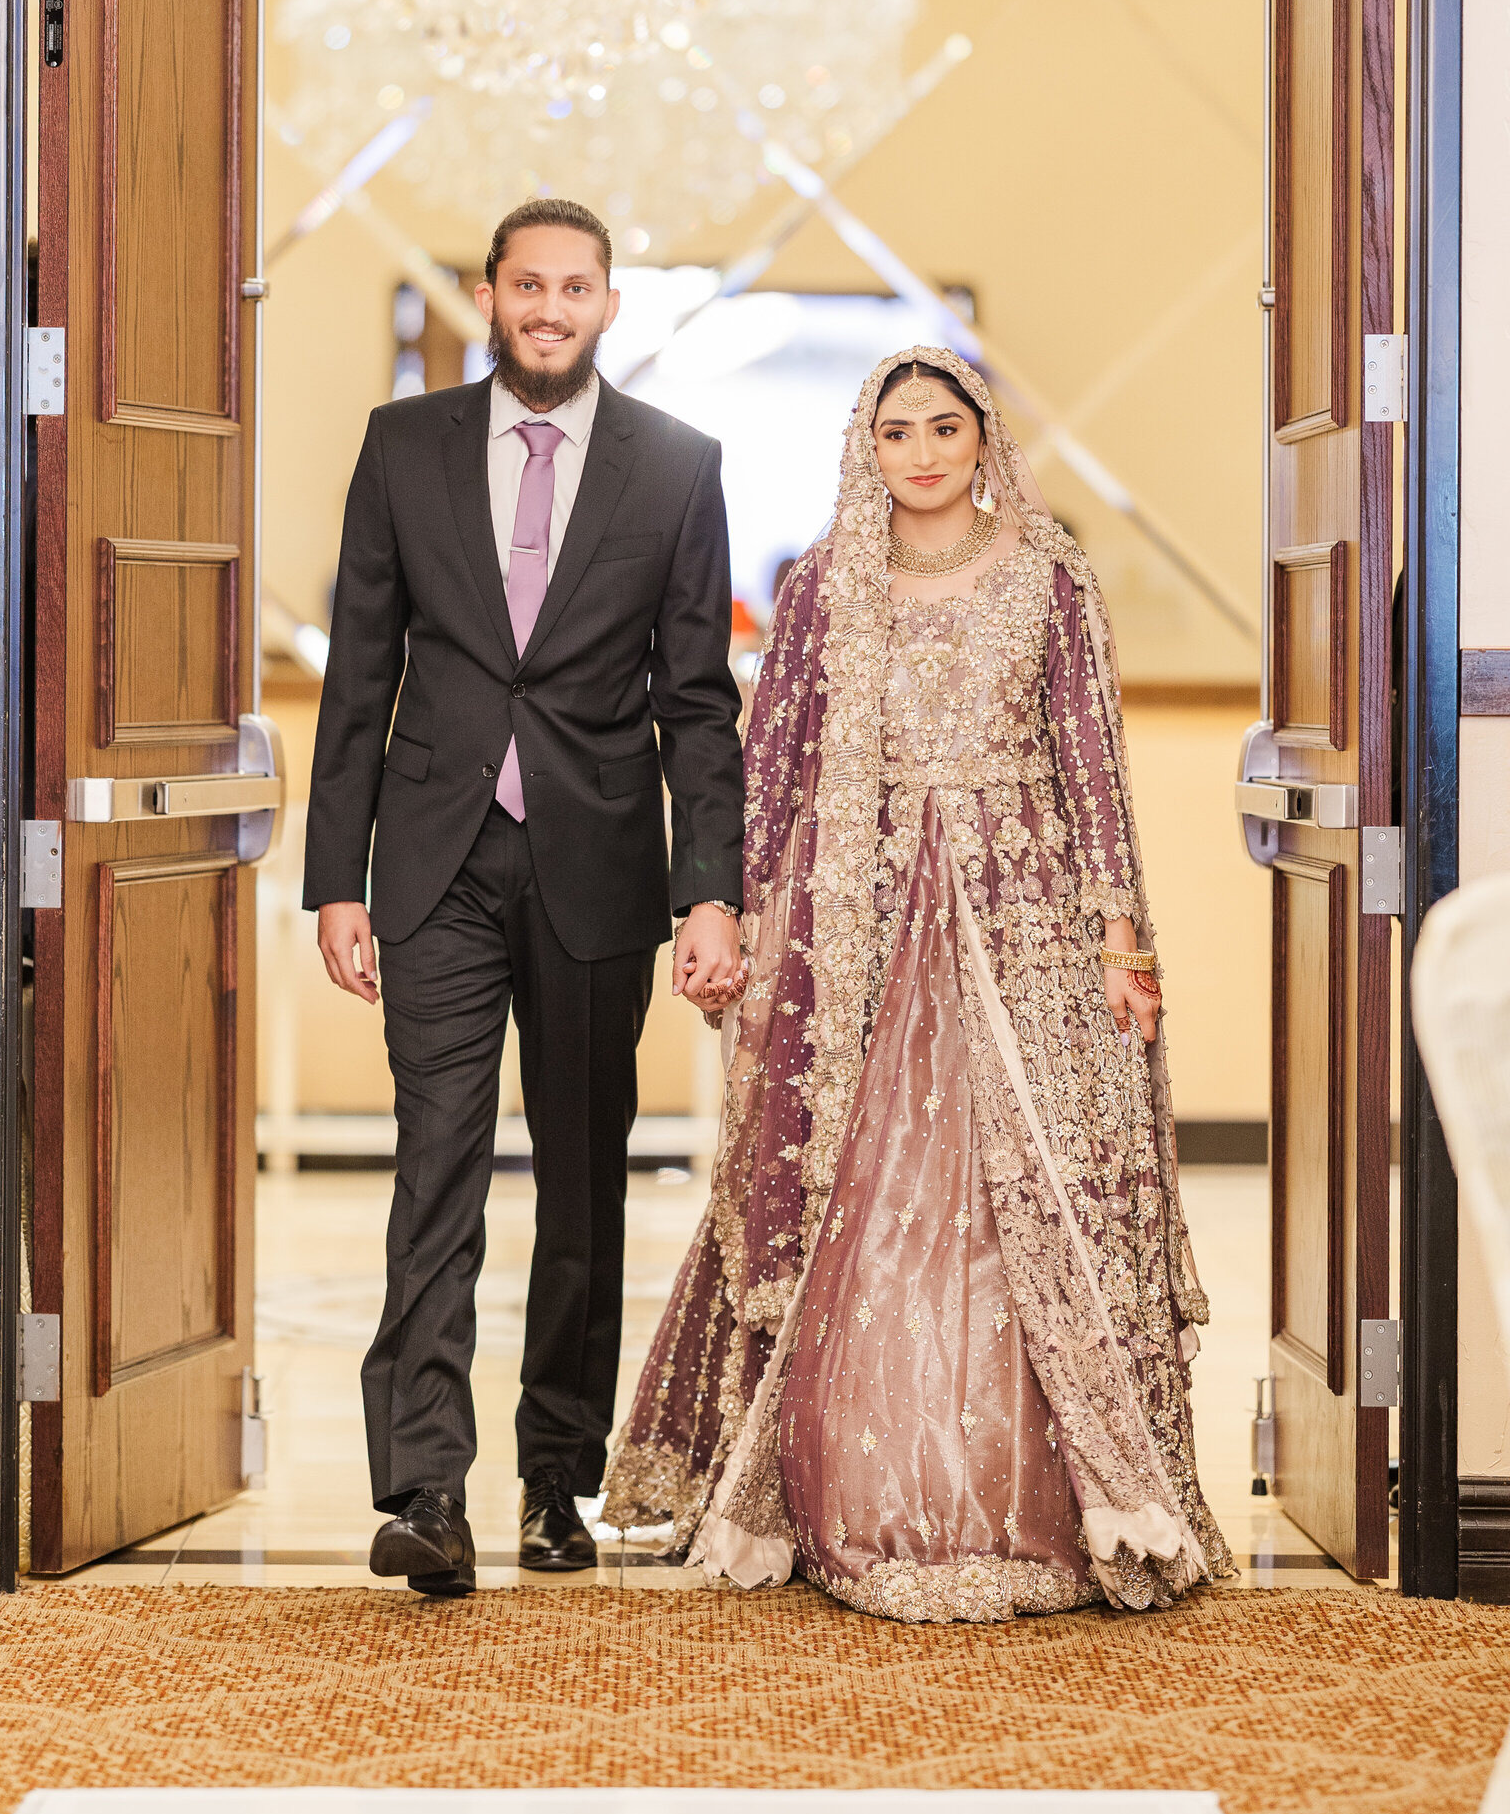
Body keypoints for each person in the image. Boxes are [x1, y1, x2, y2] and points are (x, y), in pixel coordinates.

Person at [605, 344, 1234, 1621]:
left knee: (1028, 1193)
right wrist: (741, 915)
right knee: (868, 1186)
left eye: (945, 427)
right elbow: (773, 762)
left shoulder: (1052, 578)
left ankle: (1052, 1494)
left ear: (983, 436)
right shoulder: (826, 586)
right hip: (865, 926)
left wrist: (1122, 941)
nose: (923, 453)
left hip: (1024, 922)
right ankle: (862, 1491)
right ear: (867, 447)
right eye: (897, 432)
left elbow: (1090, 765)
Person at [303, 198, 746, 1599]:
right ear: (488, 296)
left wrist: (710, 895)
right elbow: (359, 676)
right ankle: (424, 1487)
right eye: (527, 285)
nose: (549, 307)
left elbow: (696, 704)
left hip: (597, 866)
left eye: (576, 287)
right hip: (433, 862)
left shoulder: (677, 468)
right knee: (435, 1165)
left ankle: (559, 1477)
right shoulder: (402, 446)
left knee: (578, 1180)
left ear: (611, 303)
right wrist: (336, 880)